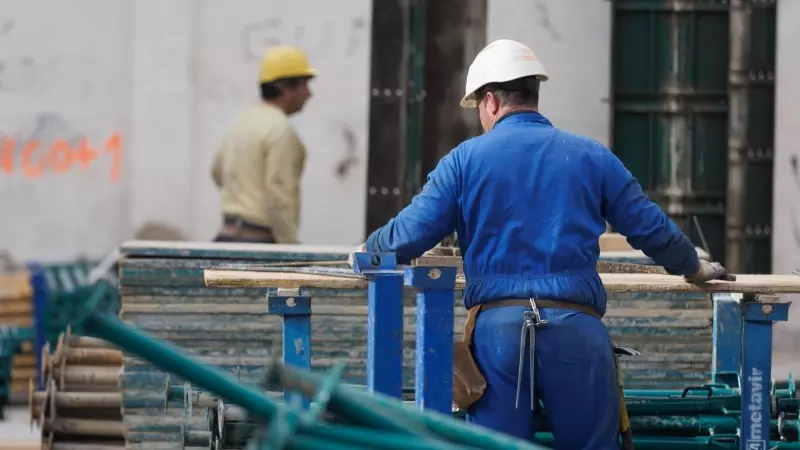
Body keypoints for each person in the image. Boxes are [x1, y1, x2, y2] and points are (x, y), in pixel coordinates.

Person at [350, 39, 729, 448]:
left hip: (499, 339)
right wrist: (693, 266)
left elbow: (405, 237)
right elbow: (651, 228)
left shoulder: (464, 161)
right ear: (533, 96)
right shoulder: (591, 156)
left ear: (491, 101)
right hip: (577, 333)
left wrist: (367, 250)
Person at [211, 45, 316, 244]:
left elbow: (217, 172)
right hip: (257, 243)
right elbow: (280, 194)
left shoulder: (242, 122)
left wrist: (243, 195)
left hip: (226, 238)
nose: (309, 94)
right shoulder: (281, 130)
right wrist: (290, 249)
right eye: (305, 84)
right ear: (286, 86)